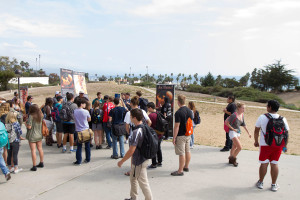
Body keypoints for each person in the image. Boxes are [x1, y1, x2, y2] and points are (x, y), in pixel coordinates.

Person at [117, 108, 153, 200]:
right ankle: (133, 197)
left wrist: (122, 161)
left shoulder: (137, 132)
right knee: (133, 178)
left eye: (131, 117)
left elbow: (131, 150)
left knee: (143, 184)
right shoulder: (144, 126)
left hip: (140, 161)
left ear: (135, 118)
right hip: (138, 160)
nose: (130, 118)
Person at [254, 100, 289, 192]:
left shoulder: (262, 117)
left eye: (267, 106)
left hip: (265, 144)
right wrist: (285, 146)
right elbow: (286, 133)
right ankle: (273, 185)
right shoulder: (283, 118)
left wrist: (256, 141)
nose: (266, 107)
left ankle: (261, 182)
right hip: (278, 145)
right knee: (274, 163)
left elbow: (256, 130)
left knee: (264, 163)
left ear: (269, 107)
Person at [171, 94, 193, 176]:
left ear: (178, 102)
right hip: (188, 134)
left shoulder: (178, 112)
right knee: (187, 151)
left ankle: (180, 170)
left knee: (181, 153)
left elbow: (176, 126)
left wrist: (174, 137)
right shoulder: (189, 111)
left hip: (181, 135)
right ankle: (186, 166)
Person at [225, 102, 251, 167]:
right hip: (232, 132)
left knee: (234, 147)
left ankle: (231, 158)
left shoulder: (242, 115)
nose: (244, 109)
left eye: (244, 108)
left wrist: (248, 133)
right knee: (240, 147)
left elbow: (243, 124)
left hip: (238, 132)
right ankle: (233, 159)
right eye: (243, 108)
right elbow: (226, 123)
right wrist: (233, 129)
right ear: (239, 108)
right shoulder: (234, 115)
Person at [26, 104, 44, 171]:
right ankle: (41, 162)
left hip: (32, 135)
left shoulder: (31, 116)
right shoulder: (41, 115)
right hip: (39, 134)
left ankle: (34, 165)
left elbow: (29, 127)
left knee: (33, 150)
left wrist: (26, 124)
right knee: (40, 149)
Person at [73, 99, 91, 165]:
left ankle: (78, 160)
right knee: (87, 146)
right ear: (81, 104)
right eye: (84, 104)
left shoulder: (75, 111)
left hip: (78, 130)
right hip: (85, 129)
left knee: (79, 146)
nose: (85, 105)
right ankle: (88, 159)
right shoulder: (86, 111)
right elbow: (89, 119)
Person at [147, 102, 163, 168]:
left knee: (153, 148)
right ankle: (159, 161)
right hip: (160, 134)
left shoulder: (151, 116)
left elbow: (147, 125)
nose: (147, 109)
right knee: (158, 148)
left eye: (148, 108)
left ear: (150, 108)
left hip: (154, 134)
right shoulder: (159, 113)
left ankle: (154, 163)